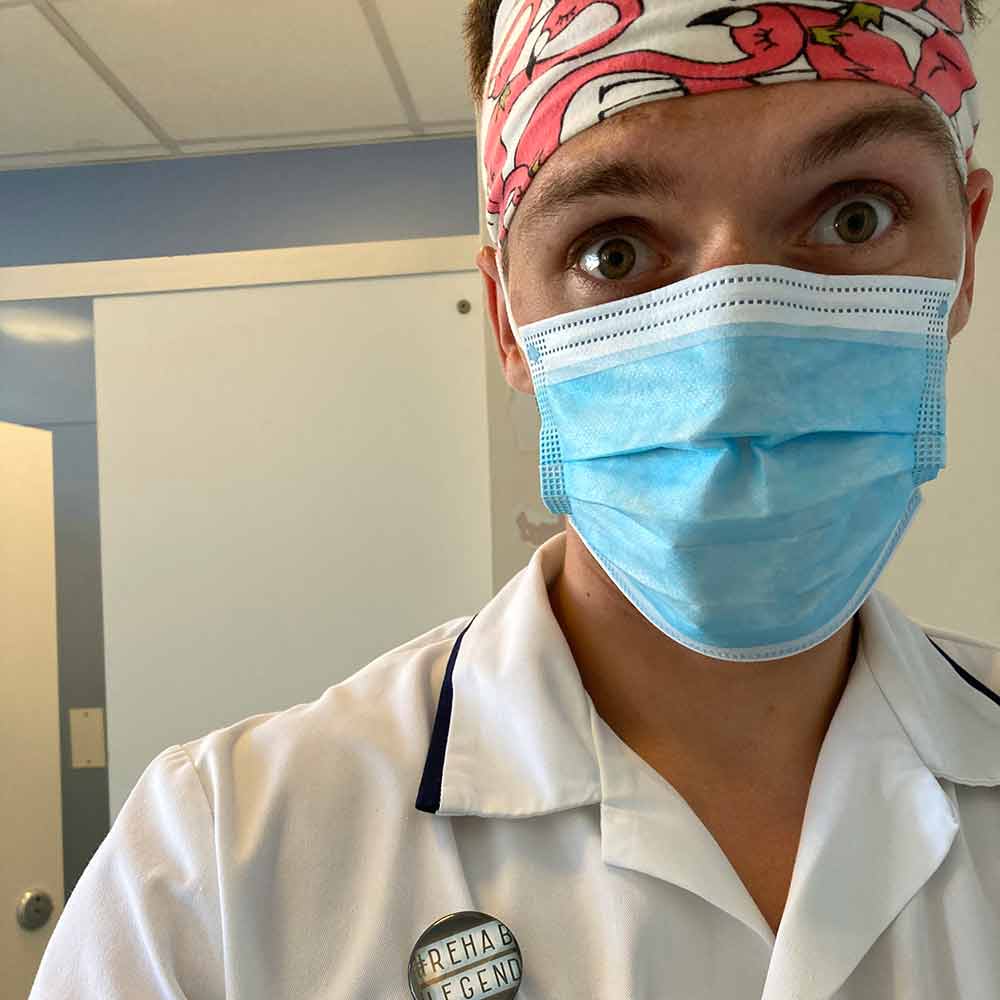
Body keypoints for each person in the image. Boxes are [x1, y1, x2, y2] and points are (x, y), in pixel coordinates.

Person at [29, 2, 999, 998]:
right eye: (612, 250)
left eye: (854, 216)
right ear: (508, 318)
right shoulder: (213, 869)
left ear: (963, 255)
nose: (732, 358)